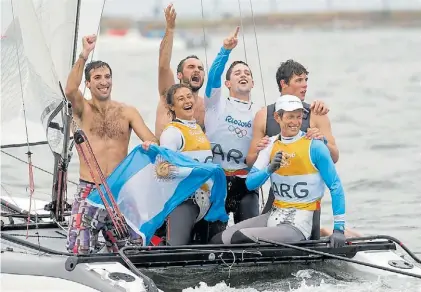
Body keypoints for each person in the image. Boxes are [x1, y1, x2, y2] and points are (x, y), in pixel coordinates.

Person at [210, 95, 347, 248]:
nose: (295, 122)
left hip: (300, 222)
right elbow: (250, 183)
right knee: (218, 240)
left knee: (240, 237)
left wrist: (339, 229)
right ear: (277, 117)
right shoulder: (270, 145)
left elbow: (335, 186)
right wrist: (269, 169)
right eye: (290, 117)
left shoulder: (315, 147)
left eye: (298, 117)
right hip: (274, 215)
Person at [65, 34, 158, 254]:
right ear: (88, 83)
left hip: (120, 189)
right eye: (97, 77)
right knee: (79, 251)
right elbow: (70, 90)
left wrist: (149, 145)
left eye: (107, 76)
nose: (104, 81)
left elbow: (152, 139)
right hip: (90, 189)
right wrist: (84, 55)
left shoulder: (127, 112)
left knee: (132, 252)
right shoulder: (82, 110)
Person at [156, 83, 225, 245]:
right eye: (181, 99)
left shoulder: (197, 128)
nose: (187, 101)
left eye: (189, 96)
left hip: (207, 201)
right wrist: (195, 171)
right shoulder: (172, 132)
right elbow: (161, 170)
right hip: (184, 201)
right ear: (172, 107)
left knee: (211, 251)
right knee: (176, 251)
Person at [204, 27, 259, 226]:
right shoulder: (215, 104)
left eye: (246, 73)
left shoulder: (259, 114)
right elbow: (213, 77)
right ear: (227, 83)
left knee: (248, 238)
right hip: (215, 183)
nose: (242, 75)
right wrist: (225, 50)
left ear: (252, 82)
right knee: (212, 239)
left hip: (245, 185)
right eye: (237, 73)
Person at [156, 3, 206, 139]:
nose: (196, 70)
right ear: (179, 75)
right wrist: (170, 30)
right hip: (167, 159)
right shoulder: (169, 96)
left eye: (200, 68)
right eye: (191, 67)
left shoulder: (205, 106)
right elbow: (163, 65)